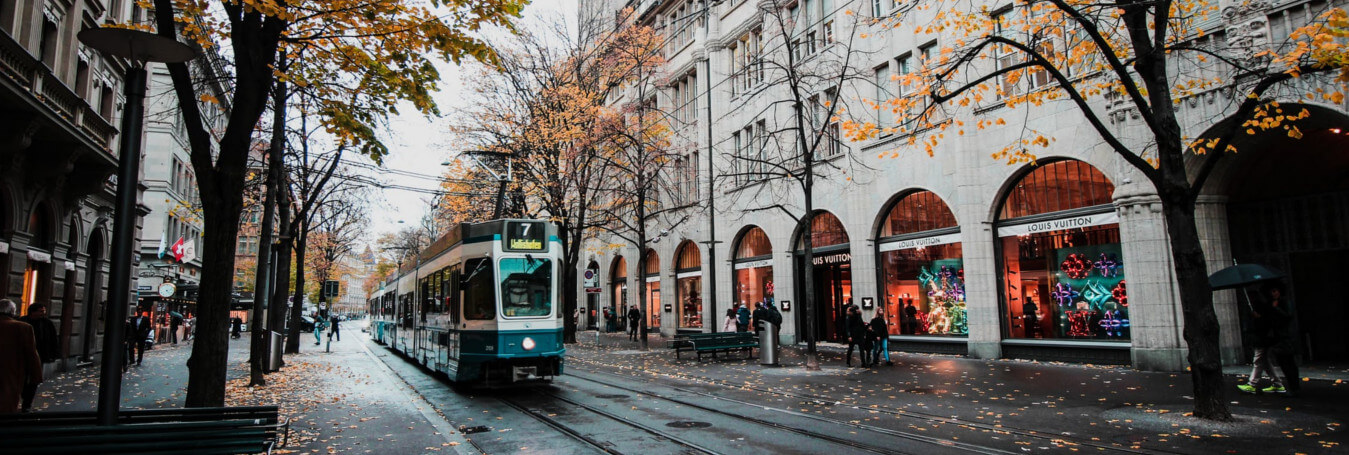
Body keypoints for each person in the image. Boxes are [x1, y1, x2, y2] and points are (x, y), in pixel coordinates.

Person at [0, 299, 42, 413]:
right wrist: (36, 375)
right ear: (13, 311)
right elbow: (31, 353)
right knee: (7, 401)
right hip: (12, 370)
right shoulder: (23, 327)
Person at [1239, 293, 1283, 394]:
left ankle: (1252, 384)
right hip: (1261, 338)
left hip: (1263, 338)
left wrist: (1258, 318)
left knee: (1258, 360)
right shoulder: (1261, 307)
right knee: (1265, 362)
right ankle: (1277, 384)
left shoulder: (1264, 308)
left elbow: (1265, 323)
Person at [1262, 282, 1301, 397]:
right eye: (1272, 291)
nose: (1273, 293)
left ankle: (1295, 387)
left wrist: (1276, 308)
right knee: (1284, 363)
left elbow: (1288, 315)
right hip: (1279, 338)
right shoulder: (1271, 303)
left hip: (1286, 338)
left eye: (1275, 291)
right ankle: (1292, 386)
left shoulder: (1284, 302)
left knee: (1289, 364)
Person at [18, 303, 58, 412]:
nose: (43, 313)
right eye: (40, 311)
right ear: (33, 312)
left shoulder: (46, 323)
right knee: (22, 378)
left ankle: (27, 403)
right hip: (23, 356)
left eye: (43, 311)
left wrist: (52, 354)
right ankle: (23, 398)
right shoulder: (22, 322)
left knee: (34, 380)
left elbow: (53, 339)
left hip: (39, 356)